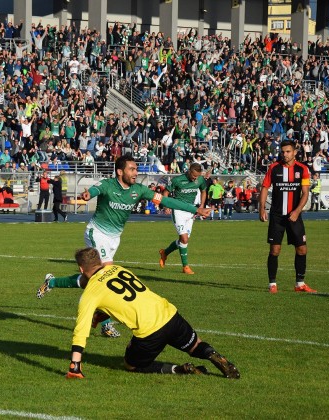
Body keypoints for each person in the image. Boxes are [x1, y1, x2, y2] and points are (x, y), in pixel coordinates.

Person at [37, 155, 211, 338]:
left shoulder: (139, 190)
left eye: (136, 169)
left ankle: (52, 282)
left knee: (90, 280)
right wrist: (89, 195)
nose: (136, 173)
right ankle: (105, 324)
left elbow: (167, 201)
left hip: (114, 238)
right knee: (106, 277)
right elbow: (96, 189)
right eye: (132, 169)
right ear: (120, 172)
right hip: (97, 233)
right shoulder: (108, 184)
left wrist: (196, 209)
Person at [64, 247, 239, 379]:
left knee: (130, 365)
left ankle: (178, 369)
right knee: (195, 345)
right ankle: (212, 355)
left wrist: (75, 364)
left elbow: (81, 330)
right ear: (100, 262)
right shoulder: (118, 269)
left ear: (81, 269)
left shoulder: (90, 293)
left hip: (150, 331)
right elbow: (128, 299)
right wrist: (102, 312)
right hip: (169, 313)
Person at [259, 140, 315, 294]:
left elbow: (305, 193)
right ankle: (272, 284)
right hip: (277, 216)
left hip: (294, 215)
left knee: (302, 249)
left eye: (288, 151)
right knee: (275, 250)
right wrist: (262, 208)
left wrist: (297, 211)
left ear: (295, 152)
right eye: (283, 152)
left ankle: (300, 284)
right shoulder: (274, 168)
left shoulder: (302, 169)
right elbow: (264, 187)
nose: (285, 154)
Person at [158, 163, 207, 275]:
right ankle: (185, 267)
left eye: (197, 176)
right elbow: (166, 192)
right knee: (184, 239)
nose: (195, 178)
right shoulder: (177, 180)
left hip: (191, 211)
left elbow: (204, 190)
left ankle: (164, 253)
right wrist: (166, 205)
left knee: (183, 241)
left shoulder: (200, 180)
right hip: (178, 211)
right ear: (189, 171)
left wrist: (202, 205)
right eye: (194, 176)